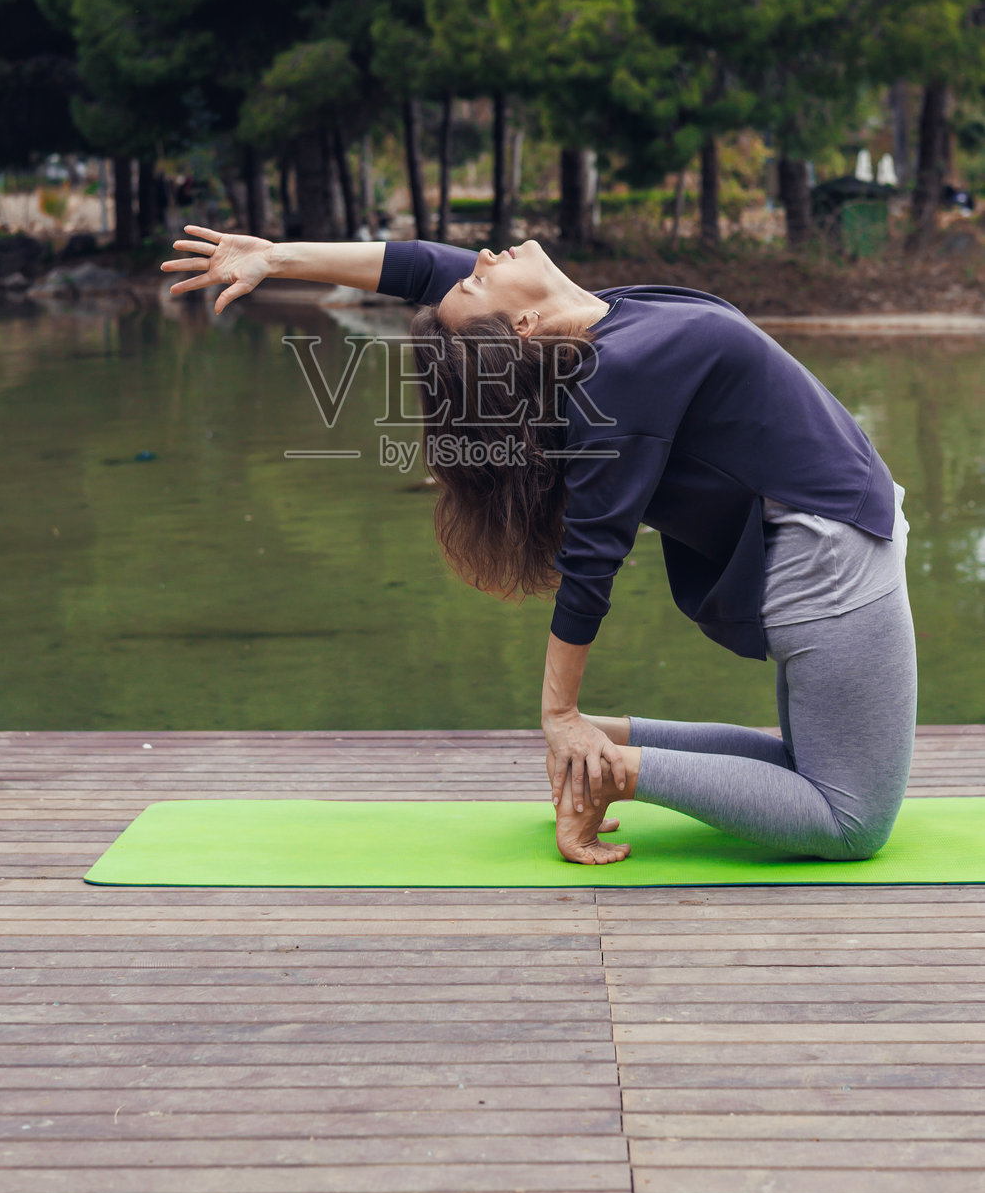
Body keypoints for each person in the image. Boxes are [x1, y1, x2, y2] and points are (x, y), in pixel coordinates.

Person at [162, 228, 917, 867]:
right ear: (520, 330)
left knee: (804, 768)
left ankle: (608, 744)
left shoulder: (597, 319)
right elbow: (591, 560)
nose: (479, 259)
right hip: (830, 556)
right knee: (847, 821)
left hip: (817, 542)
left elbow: (422, 267)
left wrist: (277, 257)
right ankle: (609, 768)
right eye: (475, 282)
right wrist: (557, 711)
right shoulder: (616, 372)